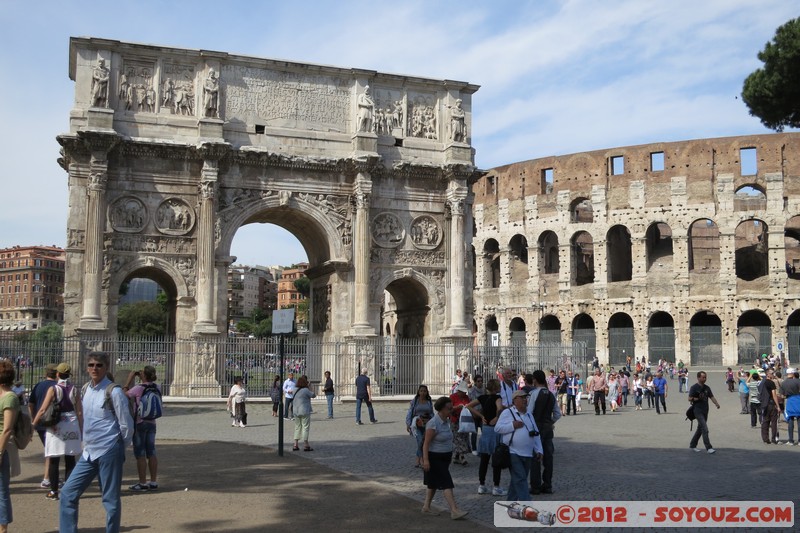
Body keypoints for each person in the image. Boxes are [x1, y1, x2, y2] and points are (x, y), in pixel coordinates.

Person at [59, 351, 134, 533]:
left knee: (110, 500)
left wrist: (118, 447)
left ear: (106, 368)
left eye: (99, 365)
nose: (95, 368)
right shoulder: (85, 389)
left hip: (109, 448)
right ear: (86, 367)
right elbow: (84, 418)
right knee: (67, 493)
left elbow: (127, 425)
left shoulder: (114, 391)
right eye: (91, 365)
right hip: (89, 450)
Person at [31, 363, 82, 501]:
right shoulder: (75, 390)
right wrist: (81, 430)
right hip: (71, 424)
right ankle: (69, 490)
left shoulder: (54, 389)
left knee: (54, 458)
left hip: (57, 425)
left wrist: (33, 424)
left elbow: (42, 409)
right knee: (70, 459)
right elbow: (79, 412)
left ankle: (54, 491)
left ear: (57, 374)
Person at [421, 396, 468, 520]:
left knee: (433, 483)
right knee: (446, 482)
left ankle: (426, 506)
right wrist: (425, 460)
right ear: (441, 409)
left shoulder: (447, 421)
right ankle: (454, 510)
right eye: (449, 408)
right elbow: (426, 443)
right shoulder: (433, 423)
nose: (451, 410)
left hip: (445, 456)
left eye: (451, 407)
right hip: (434, 457)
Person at [496, 390, 543, 501]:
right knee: (521, 479)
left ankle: (510, 505)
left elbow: (536, 433)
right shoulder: (507, 413)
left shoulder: (529, 414)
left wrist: (539, 450)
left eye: (525, 398)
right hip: (513, 452)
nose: (524, 400)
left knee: (517, 480)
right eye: (521, 398)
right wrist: (512, 425)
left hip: (527, 453)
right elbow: (497, 428)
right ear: (514, 400)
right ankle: (527, 505)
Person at [465, 379, 506, 496]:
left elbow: (469, 406)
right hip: (494, 430)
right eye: (499, 386)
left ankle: (481, 485)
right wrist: (497, 418)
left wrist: (481, 416)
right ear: (495, 388)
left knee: (484, 459)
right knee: (496, 459)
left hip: (485, 430)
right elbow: (499, 409)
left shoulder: (483, 398)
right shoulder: (498, 398)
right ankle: (496, 486)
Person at [123, 366, 160, 491]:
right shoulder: (157, 387)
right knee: (152, 452)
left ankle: (143, 483)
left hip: (140, 422)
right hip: (152, 423)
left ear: (143, 375)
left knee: (140, 454)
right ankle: (153, 481)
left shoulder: (138, 388)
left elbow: (123, 395)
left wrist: (129, 380)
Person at [527, 370, 560, 495]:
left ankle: (535, 486)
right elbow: (557, 413)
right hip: (547, 427)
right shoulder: (551, 394)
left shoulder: (534, 394)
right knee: (548, 457)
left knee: (536, 456)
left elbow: (529, 412)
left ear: (535, 379)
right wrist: (550, 422)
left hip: (536, 427)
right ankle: (547, 485)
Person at [28, 364, 58, 489]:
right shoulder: (56, 387)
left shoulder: (38, 385)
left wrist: (34, 418)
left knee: (49, 450)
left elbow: (30, 403)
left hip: (39, 422)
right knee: (51, 452)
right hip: (51, 422)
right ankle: (47, 478)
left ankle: (49, 476)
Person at [0, 359, 19, 532]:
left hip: (1, 448)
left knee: (1, 491)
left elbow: (6, 429)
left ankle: (2, 528)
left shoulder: (10, 398)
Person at [688, 371, 720, 454]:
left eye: (705, 377)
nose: (704, 379)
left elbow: (711, 397)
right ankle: (708, 447)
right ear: (698, 378)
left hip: (705, 410)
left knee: (700, 429)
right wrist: (697, 399)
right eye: (703, 377)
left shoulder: (707, 388)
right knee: (705, 428)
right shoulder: (694, 387)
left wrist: (716, 404)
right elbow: (689, 398)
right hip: (697, 410)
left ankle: (692, 445)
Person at [406, 385, 434, 468]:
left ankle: (418, 458)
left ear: (427, 392)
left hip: (426, 424)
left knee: (424, 442)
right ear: (418, 392)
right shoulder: (414, 401)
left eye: (424, 391)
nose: (422, 393)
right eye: (421, 391)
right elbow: (410, 413)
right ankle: (422, 459)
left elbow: (432, 413)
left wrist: (433, 421)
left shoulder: (429, 401)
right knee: (420, 440)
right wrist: (408, 423)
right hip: (416, 424)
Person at [449, 380, 471, 465]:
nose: (465, 394)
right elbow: (449, 409)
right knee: (458, 438)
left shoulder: (466, 398)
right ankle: (462, 456)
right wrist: (457, 407)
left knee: (464, 437)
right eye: (463, 392)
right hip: (455, 420)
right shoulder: (452, 397)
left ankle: (456, 457)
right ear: (459, 391)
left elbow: (469, 406)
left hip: (464, 420)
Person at [292, 376, 316, 451]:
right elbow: (313, 395)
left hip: (296, 411)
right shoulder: (306, 390)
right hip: (304, 410)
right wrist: (310, 388)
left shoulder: (294, 390)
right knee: (305, 427)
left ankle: (295, 444)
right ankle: (306, 444)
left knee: (297, 427)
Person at [759, 368, 781, 444]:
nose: (773, 374)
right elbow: (774, 395)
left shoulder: (762, 382)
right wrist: (778, 405)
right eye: (772, 373)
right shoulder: (771, 383)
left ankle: (765, 438)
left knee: (765, 421)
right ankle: (774, 438)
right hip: (771, 404)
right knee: (774, 422)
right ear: (768, 374)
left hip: (764, 404)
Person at [780, 368, 800, 445]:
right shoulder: (798, 381)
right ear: (793, 373)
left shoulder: (784, 383)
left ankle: (791, 440)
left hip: (790, 401)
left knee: (790, 420)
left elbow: (782, 395)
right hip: (798, 400)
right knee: (799, 421)